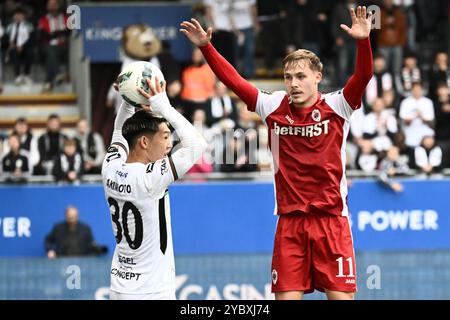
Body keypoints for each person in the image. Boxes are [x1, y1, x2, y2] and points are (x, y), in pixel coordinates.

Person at [180, 5, 373, 300]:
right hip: (290, 221)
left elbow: (362, 75)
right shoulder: (273, 106)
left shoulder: (338, 106)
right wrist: (207, 48)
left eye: (300, 76)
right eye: (288, 77)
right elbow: (234, 80)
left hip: (331, 219)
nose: (293, 84)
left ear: (318, 77)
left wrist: (363, 41)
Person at [102, 78, 206, 300]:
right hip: (151, 291)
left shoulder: (109, 166)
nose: (169, 144)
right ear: (144, 142)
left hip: (120, 287)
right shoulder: (150, 178)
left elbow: (120, 129)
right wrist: (164, 107)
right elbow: (197, 145)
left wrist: (128, 100)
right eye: (165, 137)